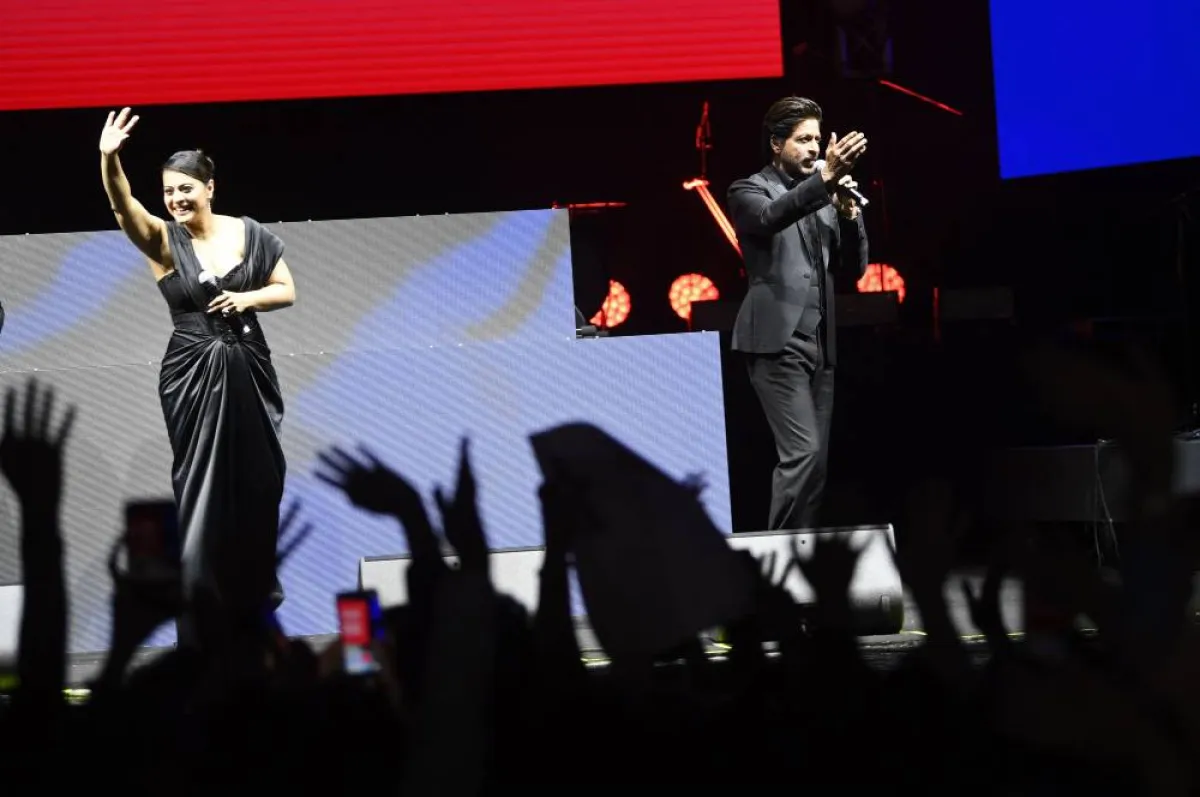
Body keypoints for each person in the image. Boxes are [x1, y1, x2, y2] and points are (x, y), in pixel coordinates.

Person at [99, 107, 297, 649]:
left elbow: (286, 289)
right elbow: (123, 207)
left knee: (260, 484)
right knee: (204, 488)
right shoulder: (165, 242)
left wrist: (247, 298)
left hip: (251, 365)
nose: (175, 200)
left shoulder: (249, 234)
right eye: (167, 192)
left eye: (184, 189)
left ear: (210, 187)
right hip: (194, 369)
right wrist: (109, 158)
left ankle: (257, 613)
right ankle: (201, 621)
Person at [727, 96, 869, 531]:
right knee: (802, 454)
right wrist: (826, 178)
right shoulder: (748, 190)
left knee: (816, 469)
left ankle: (801, 568)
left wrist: (848, 216)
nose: (813, 148)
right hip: (776, 343)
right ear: (776, 144)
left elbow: (854, 269)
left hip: (820, 347)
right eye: (803, 140)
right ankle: (778, 564)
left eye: (817, 140)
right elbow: (770, 218)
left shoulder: (826, 195)